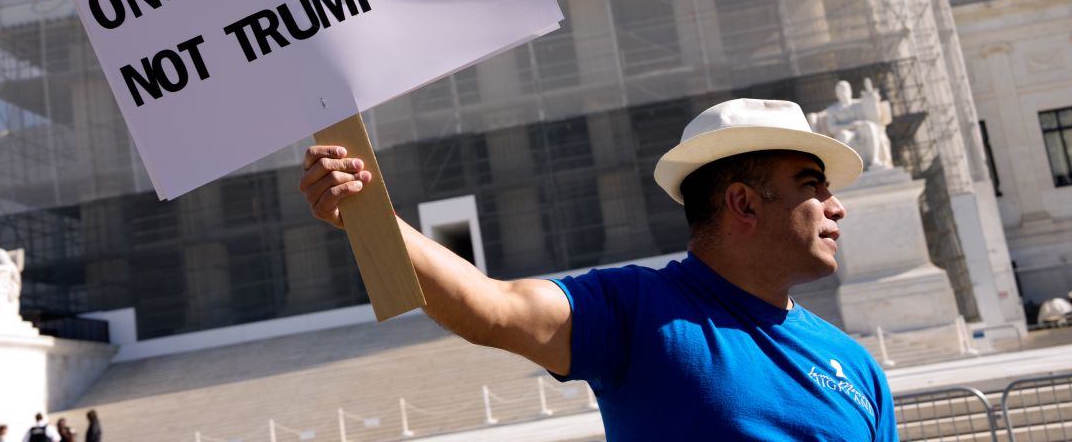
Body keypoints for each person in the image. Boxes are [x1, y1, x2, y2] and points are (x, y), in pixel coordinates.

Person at [302, 98, 898, 440]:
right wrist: (366, 215)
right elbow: (493, 308)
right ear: (743, 202)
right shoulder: (637, 312)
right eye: (811, 185)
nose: (836, 205)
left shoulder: (859, 369)